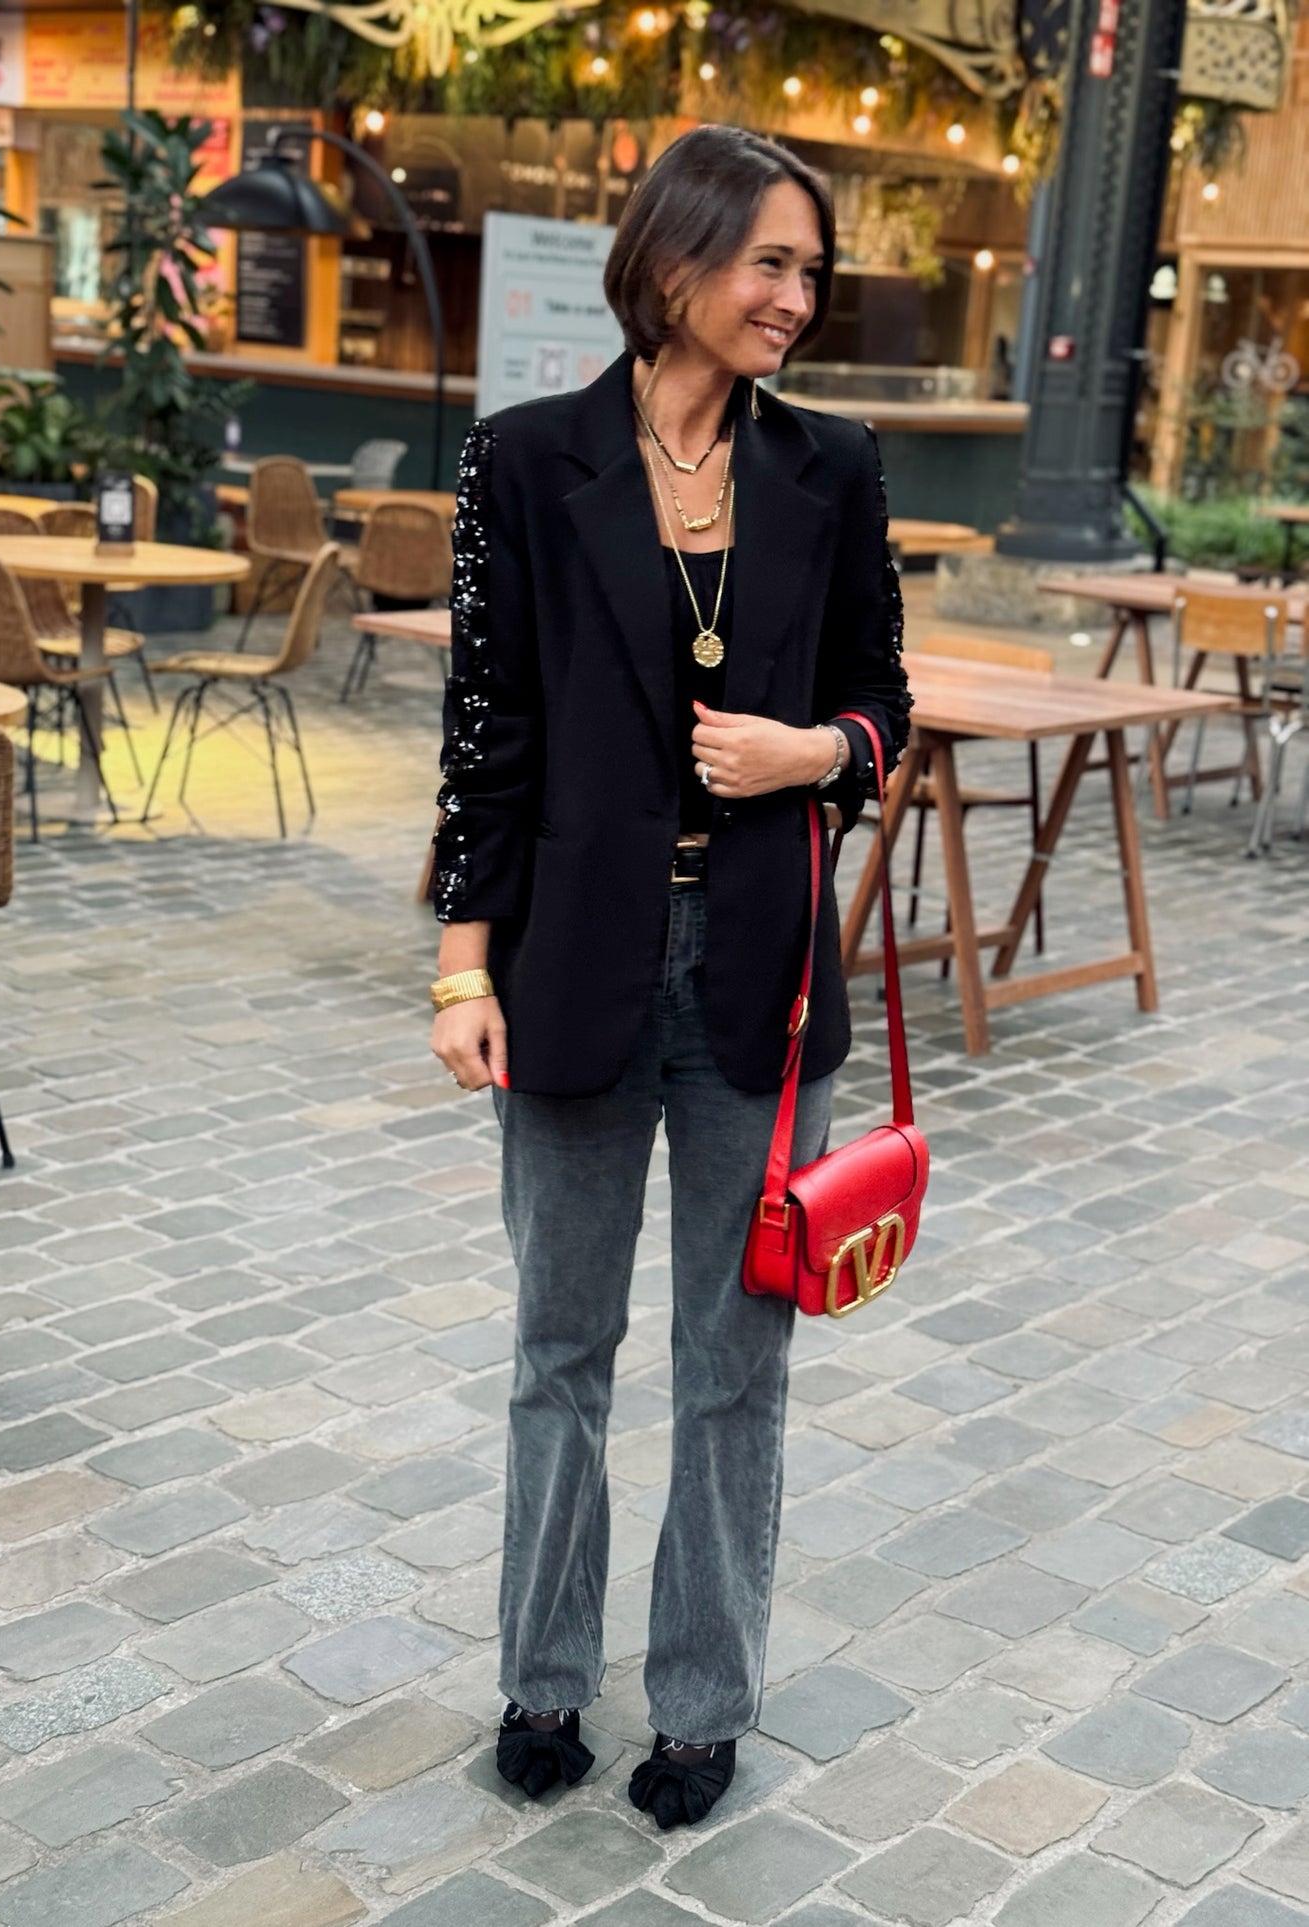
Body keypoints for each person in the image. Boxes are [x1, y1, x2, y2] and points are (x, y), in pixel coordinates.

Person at [429, 123, 912, 1831]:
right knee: (559, 1350)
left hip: (760, 979)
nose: (794, 297)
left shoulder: (832, 466)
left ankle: (703, 1703)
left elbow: (883, 701)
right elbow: (485, 735)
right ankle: (544, 1678)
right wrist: (460, 971)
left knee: (735, 1362)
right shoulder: (521, 461)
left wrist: (809, 753)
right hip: (572, 964)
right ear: (677, 257)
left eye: (808, 271)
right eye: (769, 262)